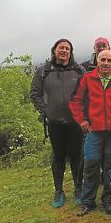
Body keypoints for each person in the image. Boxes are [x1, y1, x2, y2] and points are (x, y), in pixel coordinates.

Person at [70, 50, 111, 216]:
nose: (105, 63)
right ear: (97, 61)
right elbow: (75, 101)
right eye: (102, 59)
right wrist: (81, 120)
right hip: (93, 131)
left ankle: (108, 199)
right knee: (90, 166)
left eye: (109, 60)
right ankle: (87, 202)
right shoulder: (87, 79)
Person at [30, 38, 85, 207]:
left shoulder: (78, 69)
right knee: (58, 156)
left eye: (67, 48)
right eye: (61, 48)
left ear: (71, 52)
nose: (64, 51)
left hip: (76, 122)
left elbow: (88, 92)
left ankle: (78, 189)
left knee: (77, 156)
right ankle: (59, 191)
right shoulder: (44, 71)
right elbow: (34, 93)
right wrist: (46, 110)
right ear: (54, 50)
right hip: (54, 122)